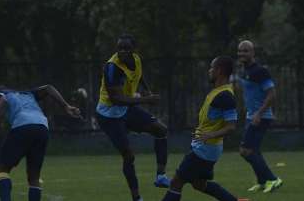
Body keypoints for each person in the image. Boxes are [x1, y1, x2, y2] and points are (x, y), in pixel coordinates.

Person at [95, 34, 169, 201]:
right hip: (109, 115)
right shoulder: (112, 67)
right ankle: (137, 198)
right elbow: (117, 99)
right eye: (119, 48)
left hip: (126, 109)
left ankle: (161, 176)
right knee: (129, 155)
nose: (122, 51)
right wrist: (147, 99)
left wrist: (147, 90)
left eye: (126, 48)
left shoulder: (136, 59)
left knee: (161, 130)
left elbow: (139, 75)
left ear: (134, 50)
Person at [0, 84, 81, 201]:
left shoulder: (1, 94)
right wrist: (66, 106)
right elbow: (48, 88)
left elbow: (2, 101)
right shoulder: (28, 94)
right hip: (42, 127)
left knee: (2, 169)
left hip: (23, 126)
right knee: (34, 177)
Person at [162, 56, 241, 201]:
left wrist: (210, 135)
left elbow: (231, 127)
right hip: (207, 148)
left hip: (205, 150)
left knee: (176, 183)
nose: (209, 71)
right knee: (199, 184)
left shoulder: (225, 96)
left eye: (212, 68)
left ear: (220, 71)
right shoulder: (218, 92)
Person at [235, 40, 283, 193]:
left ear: (253, 53)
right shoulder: (244, 71)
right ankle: (262, 181)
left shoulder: (260, 71)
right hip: (251, 116)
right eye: (240, 51)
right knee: (253, 150)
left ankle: (273, 179)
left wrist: (259, 113)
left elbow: (272, 94)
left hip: (261, 117)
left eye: (246, 51)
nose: (242, 53)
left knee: (245, 150)